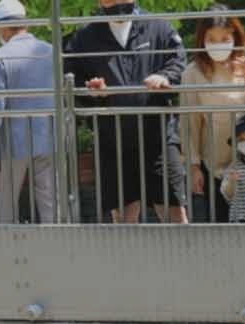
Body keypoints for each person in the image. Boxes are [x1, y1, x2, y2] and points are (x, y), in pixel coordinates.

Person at [65, 0, 189, 223]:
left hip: (159, 137)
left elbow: (178, 60)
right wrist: (89, 89)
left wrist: (165, 77)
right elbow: (71, 77)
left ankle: (185, 257)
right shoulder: (84, 37)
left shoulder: (159, 27)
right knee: (123, 222)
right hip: (112, 139)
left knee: (175, 215)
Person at [181, 6, 245, 222]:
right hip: (217, 163)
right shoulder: (192, 72)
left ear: (235, 35)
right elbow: (189, 122)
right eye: (212, 38)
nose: (219, 44)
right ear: (202, 39)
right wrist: (193, 166)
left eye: (225, 37)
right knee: (221, 224)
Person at [0, 0, 57, 224]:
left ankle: (6, 249)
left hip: (13, 141)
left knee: (7, 200)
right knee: (49, 199)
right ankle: (55, 245)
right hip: (48, 134)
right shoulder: (50, 51)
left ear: (4, 27)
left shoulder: (0, 56)